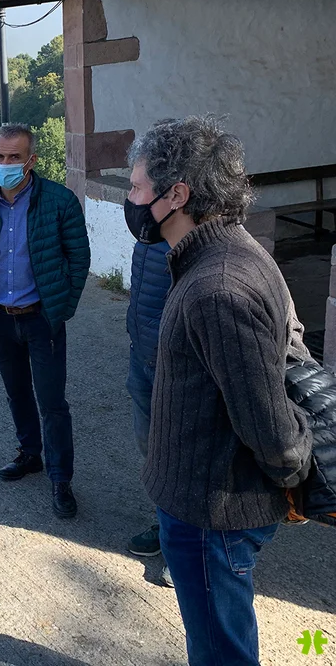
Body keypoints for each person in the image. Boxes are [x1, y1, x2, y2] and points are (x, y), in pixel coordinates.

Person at [127, 116, 313, 665]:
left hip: (212, 514)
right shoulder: (221, 252)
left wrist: (292, 476)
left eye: (136, 188)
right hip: (204, 503)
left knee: (219, 652)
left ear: (176, 195)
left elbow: (269, 424)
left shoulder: (218, 287)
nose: (130, 200)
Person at [0, 123, 91, 518]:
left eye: (14, 157)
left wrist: (62, 306)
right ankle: (30, 454)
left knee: (52, 402)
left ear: (31, 160)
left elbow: (79, 257)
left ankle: (60, 478)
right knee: (17, 392)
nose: (5, 164)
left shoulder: (60, 201)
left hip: (41, 317)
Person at [124, 240, 174, 587]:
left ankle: (185, 546)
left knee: (181, 459)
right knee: (151, 451)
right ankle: (167, 524)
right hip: (141, 356)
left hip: (174, 368)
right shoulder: (149, 233)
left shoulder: (195, 236)